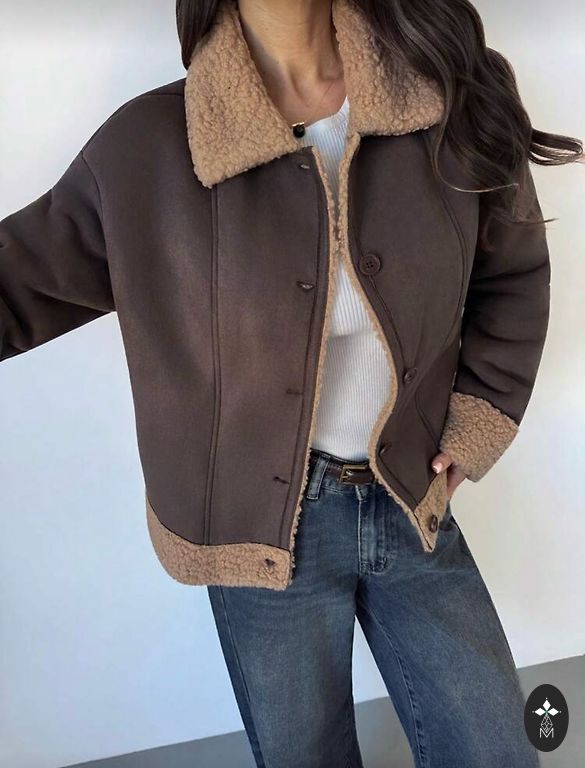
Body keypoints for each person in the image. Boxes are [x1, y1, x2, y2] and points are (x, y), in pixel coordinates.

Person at [1, 0, 581, 766]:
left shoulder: (451, 97)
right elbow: (19, 283)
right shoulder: (146, 150)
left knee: (496, 749)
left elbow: (513, 278)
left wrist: (477, 422)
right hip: (258, 535)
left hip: (410, 499)